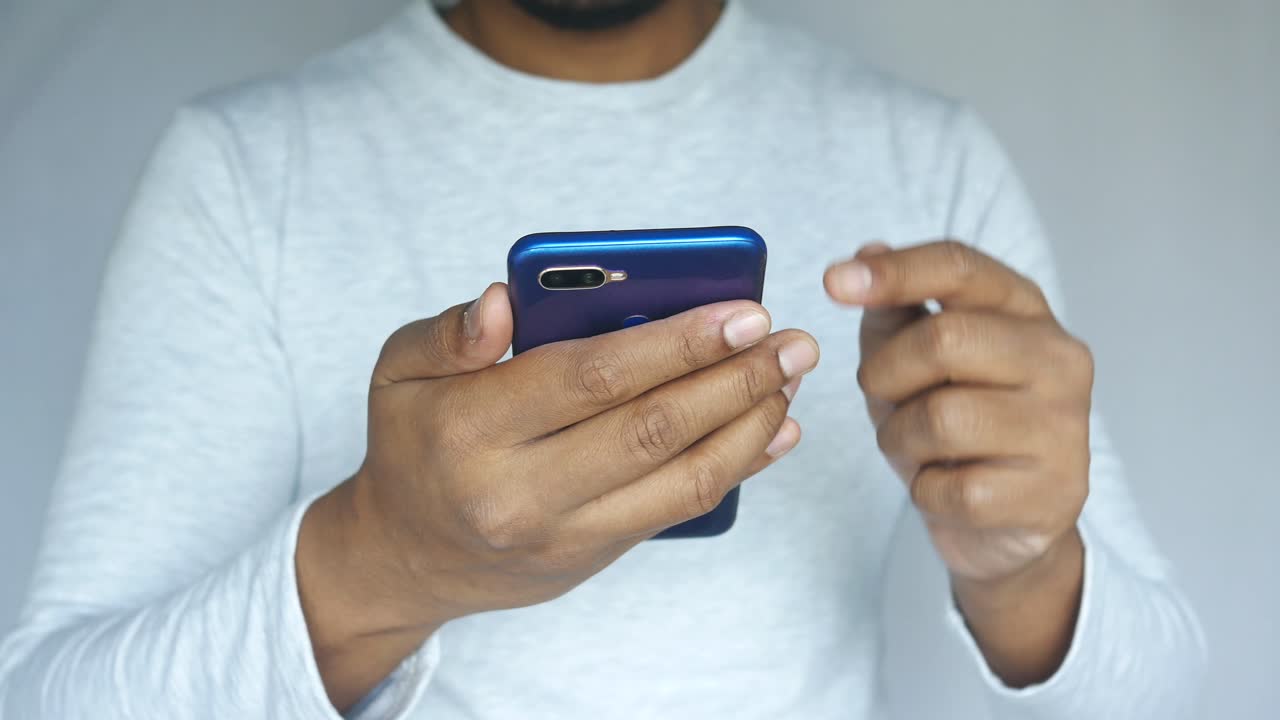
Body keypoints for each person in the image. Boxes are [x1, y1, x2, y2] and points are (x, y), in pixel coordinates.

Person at [0, 1, 1206, 717]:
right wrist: (387, 562)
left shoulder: (924, 157)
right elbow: (51, 698)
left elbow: (1159, 693)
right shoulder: (243, 168)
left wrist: (1021, 566)